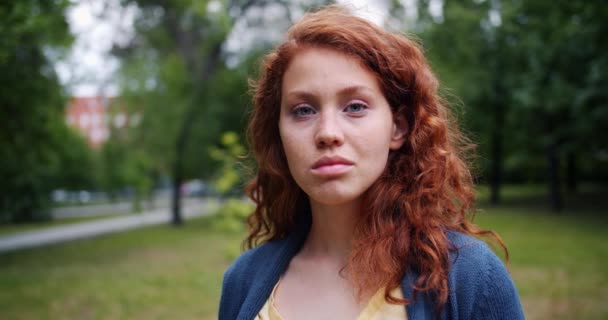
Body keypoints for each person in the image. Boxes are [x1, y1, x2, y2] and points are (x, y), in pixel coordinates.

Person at [219, 5, 524, 320]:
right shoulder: (243, 281)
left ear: (398, 127)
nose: (327, 133)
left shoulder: (469, 277)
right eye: (303, 110)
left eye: (354, 106)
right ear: (279, 133)